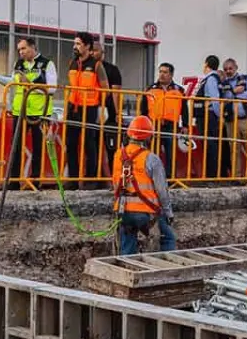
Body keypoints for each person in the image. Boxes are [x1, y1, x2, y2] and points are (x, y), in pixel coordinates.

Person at [0, 37, 57, 189]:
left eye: (23, 49)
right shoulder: (18, 64)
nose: (21, 52)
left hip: (40, 112)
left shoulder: (46, 64)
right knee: (16, 147)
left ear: (33, 47)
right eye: (19, 50)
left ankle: (35, 181)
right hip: (20, 111)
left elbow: (52, 88)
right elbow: (12, 82)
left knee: (38, 147)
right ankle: (14, 181)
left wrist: (30, 85)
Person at [112, 116, 175, 255]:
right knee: (168, 238)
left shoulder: (118, 155)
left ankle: (127, 268)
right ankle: (169, 269)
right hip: (145, 212)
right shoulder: (151, 158)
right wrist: (169, 213)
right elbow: (162, 191)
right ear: (148, 138)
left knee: (127, 243)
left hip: (123, 210)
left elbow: (116, 183)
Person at [67, 32, 111, 188]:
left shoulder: (97, 65)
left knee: (89, 144)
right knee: (70, 144)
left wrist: (101, 106)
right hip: (73, 107)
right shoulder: (72, 62)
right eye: (75, 43)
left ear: (87, 46)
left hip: (90, 108)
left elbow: (106, 88)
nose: (75, 46)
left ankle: (90, 179)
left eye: (78, 44)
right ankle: (72, 180)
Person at [221, 58, 247, 179]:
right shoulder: (223, 83)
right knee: (234, 150)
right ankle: (236, 177)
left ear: (236, 67)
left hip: (246, 119)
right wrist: (235, 92)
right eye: (226, 69)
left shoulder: (246, 78)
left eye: (230, 68)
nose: (228, 71)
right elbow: (223, 98)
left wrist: (233, 95)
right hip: (231, 120)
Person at [93, 44, 125, 174]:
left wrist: (118, 113)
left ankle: (115, 175)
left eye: (95, 51)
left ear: (102, 52)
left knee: (112, 147)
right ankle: (96, 176)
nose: (93, 53)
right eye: (91, 51)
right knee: (93, 147)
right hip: (91, 111)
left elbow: (116, 92)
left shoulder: (112, 69)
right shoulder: (86, 68)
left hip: (109, 114)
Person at [191, 55, 225, 179]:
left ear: (206, 64)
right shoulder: (210, 78)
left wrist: (218, 116)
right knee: (208, 145)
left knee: (211, 146)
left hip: (209, 116)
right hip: (205, 115)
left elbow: (214, 99)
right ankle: (210, 174)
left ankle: (212, 175)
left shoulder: (211, 79)